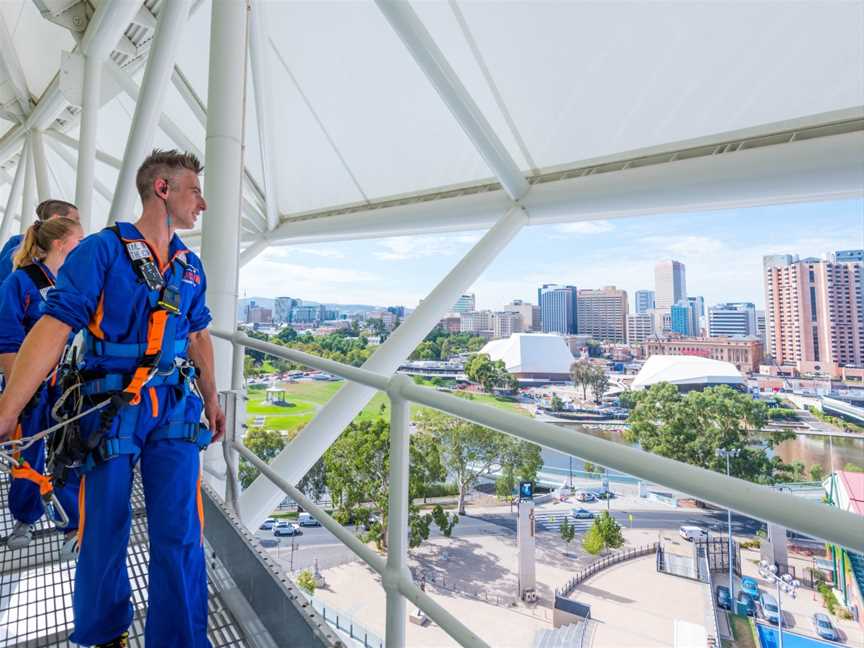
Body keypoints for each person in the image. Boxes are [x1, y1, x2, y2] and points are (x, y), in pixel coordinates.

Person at [0, 149, 225, 648]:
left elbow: (198, 335)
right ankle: (103, 635)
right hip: (110, 407)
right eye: (193, 190)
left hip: (173, 406)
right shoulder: (101, 251)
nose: (203, 202)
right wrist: (8, 411)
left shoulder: (190, 267)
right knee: (104, 526)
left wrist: (211, 398)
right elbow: (55, 326)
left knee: (181, 532)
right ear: (162, 190)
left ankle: (180, 641)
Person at [0, 216, 83, 552]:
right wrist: (16, 392)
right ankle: (24, 517)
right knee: (27, 452)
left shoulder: (75, 282)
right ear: (61, 244)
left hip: (67, 386)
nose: (85, 244)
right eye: (79, 238)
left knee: (69, 451)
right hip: (32, 387)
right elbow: (6, 338)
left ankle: (73, 524)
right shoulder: (21, 283)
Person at [0, 200, 80, 285]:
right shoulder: (17, 245)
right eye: (75, 219)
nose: (78, 224)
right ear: (56, 218)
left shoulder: (67, 252)